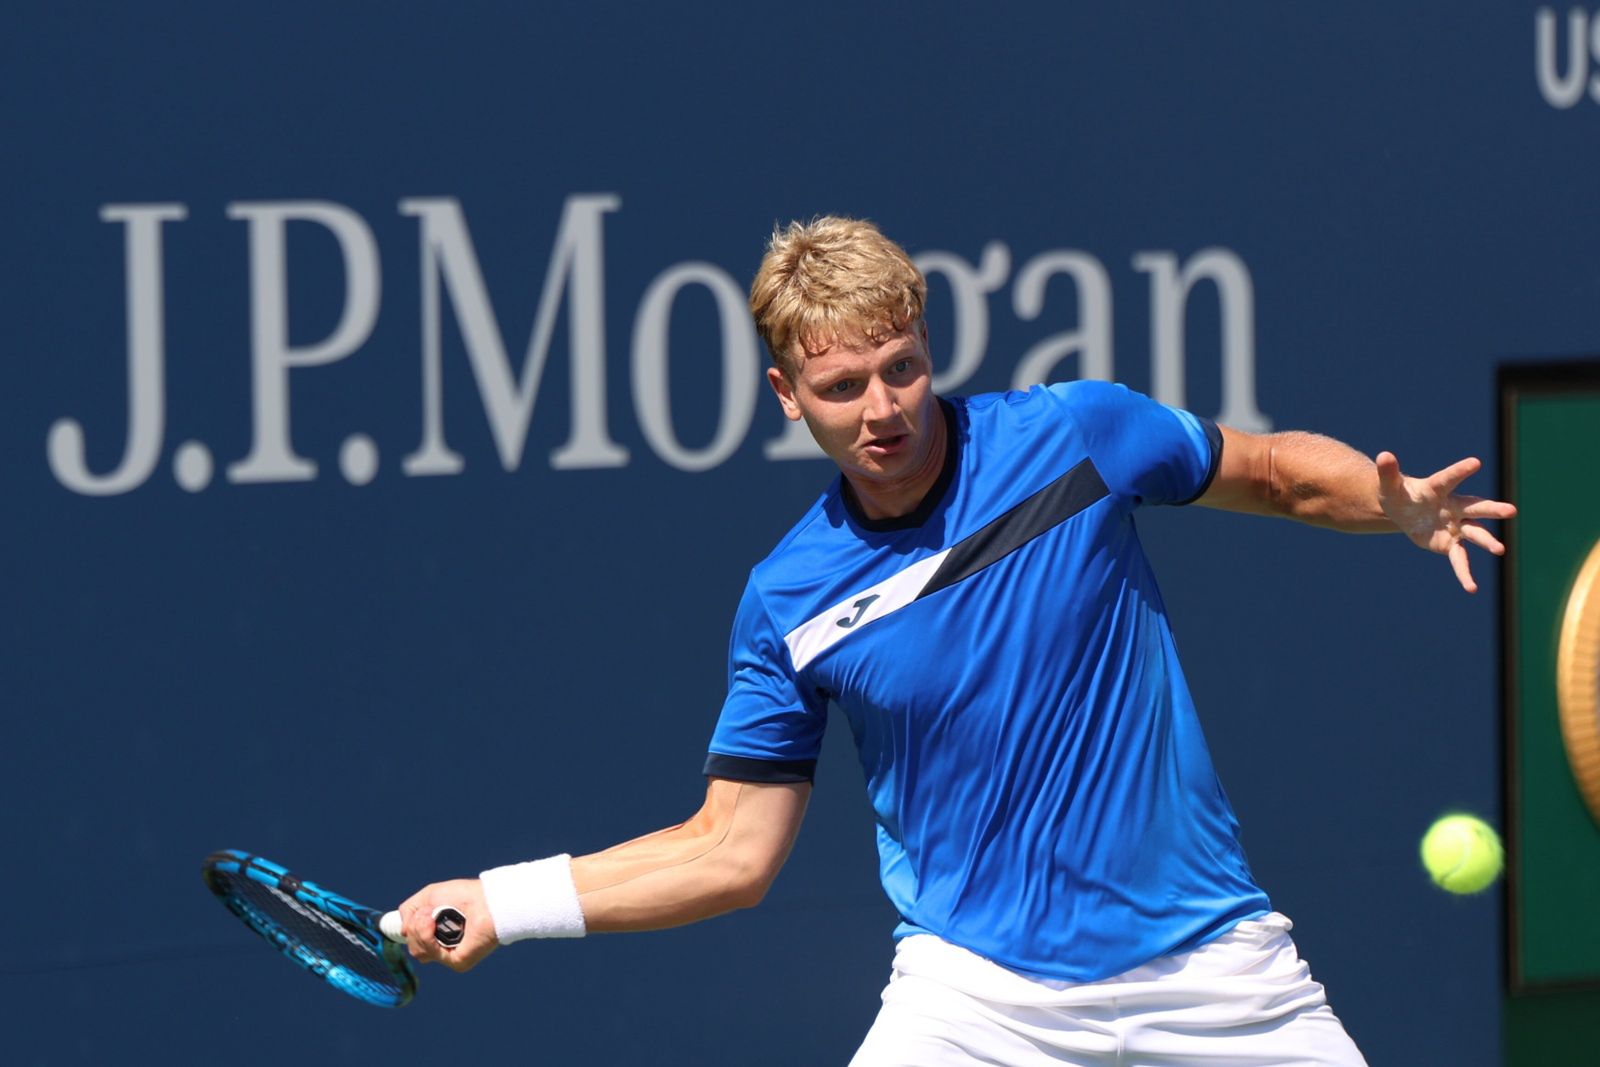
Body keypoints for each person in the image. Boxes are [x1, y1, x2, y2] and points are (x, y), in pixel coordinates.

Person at [397, 217, 1514, 1065]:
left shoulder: (1075, 435)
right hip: (980, 1001)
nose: (882, 406)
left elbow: (1269, 471)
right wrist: (506, 899)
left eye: (902, 367)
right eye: (842, 387)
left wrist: (1395, 506)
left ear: (928, 344)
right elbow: (728, 850)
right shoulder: (788, 600)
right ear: (789, 396)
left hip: (1216, 967)